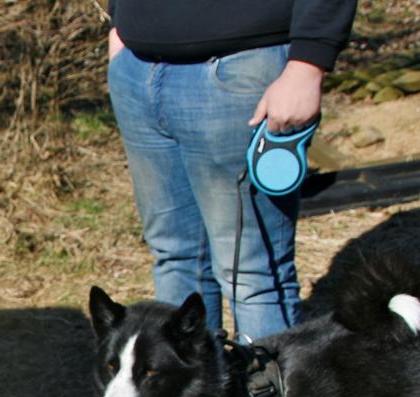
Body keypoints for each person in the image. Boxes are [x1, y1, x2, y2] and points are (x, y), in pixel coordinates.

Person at [105, 0, 357, 340]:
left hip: (240, 69)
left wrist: (308, 64)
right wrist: (119, 19)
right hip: (137, 67)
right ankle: (195, 394)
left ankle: (265, 393)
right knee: (175, 257)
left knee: (252, 276)